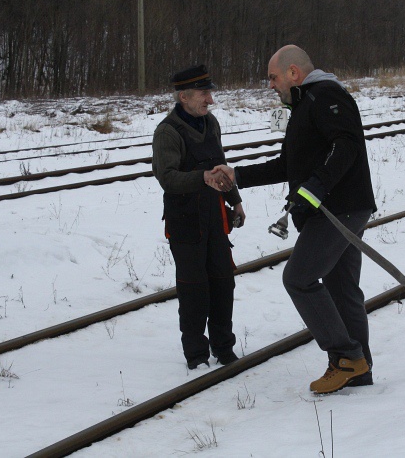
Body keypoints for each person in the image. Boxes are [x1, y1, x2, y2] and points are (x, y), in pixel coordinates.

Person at [214, 45, 377, 394]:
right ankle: (358, 370)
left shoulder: (326, 96)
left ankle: (346, 357)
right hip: (338, 206)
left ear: (293, 72)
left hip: (338, 208)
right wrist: (236, 174)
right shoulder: (302, 106)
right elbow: (286, 165)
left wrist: (316, 187)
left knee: (299, 278)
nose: (270, 85)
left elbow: (346, 144)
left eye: (273, 77)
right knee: (342, 289)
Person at [152, 64, 245, 370]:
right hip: (185, 222)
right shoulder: (167, 132)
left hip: (216, 218)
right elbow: (167, 178)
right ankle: (196, 355)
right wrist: (201, 178)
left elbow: (220, 165)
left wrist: (235, 201)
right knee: (194, 288)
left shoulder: (211, 123)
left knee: (222, 283)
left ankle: (223, 347)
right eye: (205, 94)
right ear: (184, 97)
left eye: (210, 93)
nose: (211, 100)